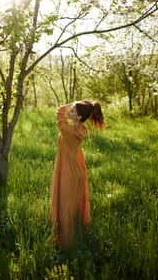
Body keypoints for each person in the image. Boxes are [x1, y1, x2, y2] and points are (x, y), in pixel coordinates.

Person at [50, 100, 104, 250]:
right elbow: (65, 115)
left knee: (66, 207)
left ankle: (66, 244)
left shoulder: (70, 130)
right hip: (71, 170)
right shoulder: (79, 128)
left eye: (73, 111)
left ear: (79, 117)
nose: (69, 112)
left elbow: (59, 112)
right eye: (71, 110)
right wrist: (79, 106)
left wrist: (73, 103)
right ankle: (70, 236)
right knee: (69, 206)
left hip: (69, 172)